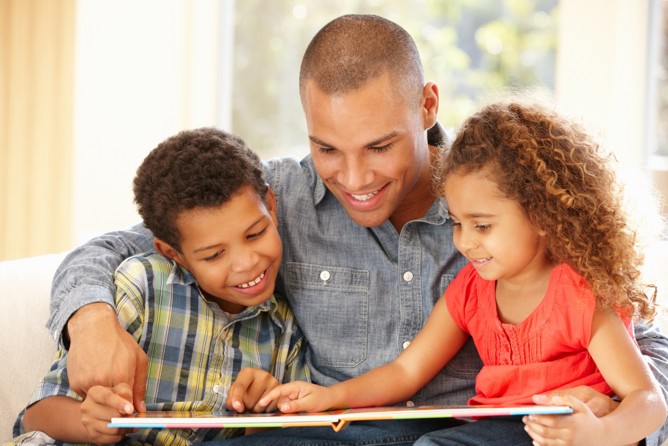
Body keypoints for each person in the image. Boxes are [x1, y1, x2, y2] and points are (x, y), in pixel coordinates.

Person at [46, 14, 668, 445]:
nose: (354, 177)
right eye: (326, 147)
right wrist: (91, 321)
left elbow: (644, 346)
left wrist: (608, 413)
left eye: (379, 145)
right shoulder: (273, 200)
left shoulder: (506, 201)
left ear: (427, 105)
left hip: (467, 432)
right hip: (329, 430)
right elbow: (110, 248)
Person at [257, 99, 668, 445]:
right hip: (493, 430)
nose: (465, 242)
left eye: (483, 225)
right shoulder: (470, 291)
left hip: (557, 431)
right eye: (456, 222)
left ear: (543, 216)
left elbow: (647, 398)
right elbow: (406, 370)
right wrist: (331, 396)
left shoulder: (578, 294)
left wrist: (599, 433)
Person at [11, 128, 308, 445]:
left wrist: (261, 414)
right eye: (214, 255)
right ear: (174, 254)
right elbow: (35, 416)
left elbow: (279, 434)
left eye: (255, 234)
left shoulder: (284, 329)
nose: (246, 263)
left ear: (271, 208)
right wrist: (90, 423)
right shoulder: (143, 285)